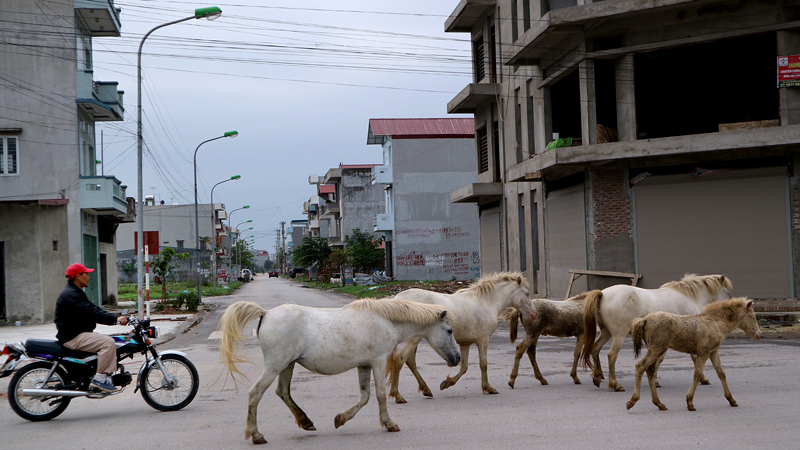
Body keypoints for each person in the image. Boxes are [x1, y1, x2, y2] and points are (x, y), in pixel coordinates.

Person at [54, 263, 128, 393]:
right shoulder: (71, 295)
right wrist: (115, 319)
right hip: (73, 336)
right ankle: (99, 379)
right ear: (78, 276)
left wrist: (115, 316)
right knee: (108, 343)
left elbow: (94, 309)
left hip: (76, 333)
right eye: (86, 274)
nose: (88, 277)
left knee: (109, 340)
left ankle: (97, 374)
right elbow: (92, 313)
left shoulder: (75, 292)